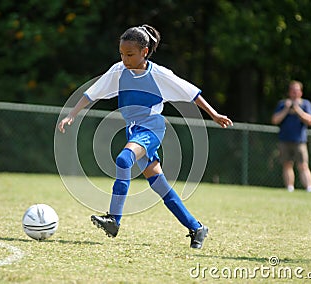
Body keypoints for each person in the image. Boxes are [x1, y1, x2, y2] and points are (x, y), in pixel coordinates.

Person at [58, 24, 233, 249]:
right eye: (121, 53)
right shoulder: (118, 71)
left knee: (123, 159)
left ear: (145, 52)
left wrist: (214, 114)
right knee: (159, 185)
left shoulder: (159, 74)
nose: (125, 58)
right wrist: (71, 115)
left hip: (152, 127)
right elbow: (91, 93)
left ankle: (114, 220)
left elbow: (192, 93)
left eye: (130, 54)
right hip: (134, 130)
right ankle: (196, 227)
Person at [271, 80, 311, 192]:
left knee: (303, 165)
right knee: (287, 164)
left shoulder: (305, 104)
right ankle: (290, 187)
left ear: (300, 92)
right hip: (284, 140)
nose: (294, 93)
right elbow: (275, 120)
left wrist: (298, 110)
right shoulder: (283, 104)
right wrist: (286, 109)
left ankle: (309, 188)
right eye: (292, 90)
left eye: (296, 90)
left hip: (299, 141)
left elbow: (310, 120)